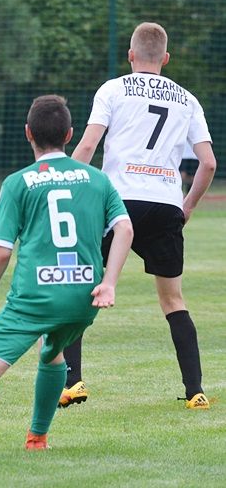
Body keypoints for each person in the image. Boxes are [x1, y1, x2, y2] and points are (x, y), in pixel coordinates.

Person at [0, 95, 133, 461]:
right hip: (84, 296)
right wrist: (109, 281)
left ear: (27, 133)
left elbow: (2, 251)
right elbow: (125, 228)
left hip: (35, 297)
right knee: (52, 354)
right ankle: (37, 438)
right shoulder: (97, 180)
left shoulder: (19, 183)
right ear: (69, 134)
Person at [63, 22, 217, 410]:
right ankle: (195, 391)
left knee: (82, 288)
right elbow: (209, 163)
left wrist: (65, 186)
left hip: (116, 203)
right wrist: (188, 206)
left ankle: (74, 383)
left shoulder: (112, 89)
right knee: (173, 300)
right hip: (166, 203)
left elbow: (88, 144)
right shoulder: (188, 99)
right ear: (165, 58)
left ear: (131, 55)